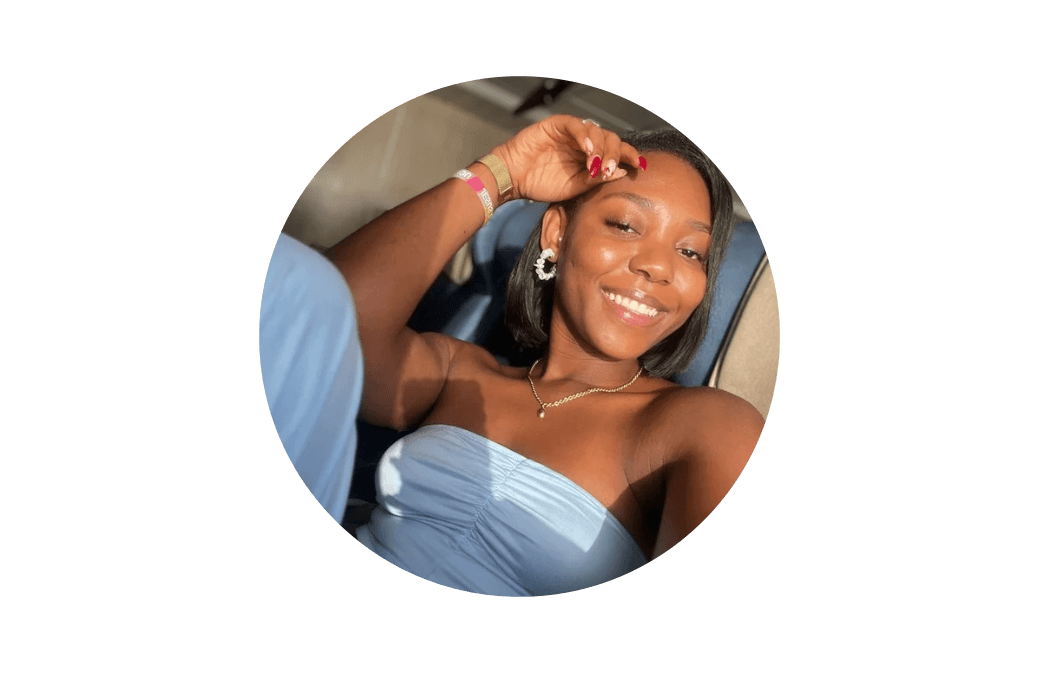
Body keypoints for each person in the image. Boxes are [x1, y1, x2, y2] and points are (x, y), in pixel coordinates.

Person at [289, 114, 763, 596]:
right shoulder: (460, 373)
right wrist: (502, 174)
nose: (658, 266)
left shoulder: (705, 427)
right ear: (556, 234)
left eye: (691, 252)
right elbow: (323, 314)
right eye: (625, 225)